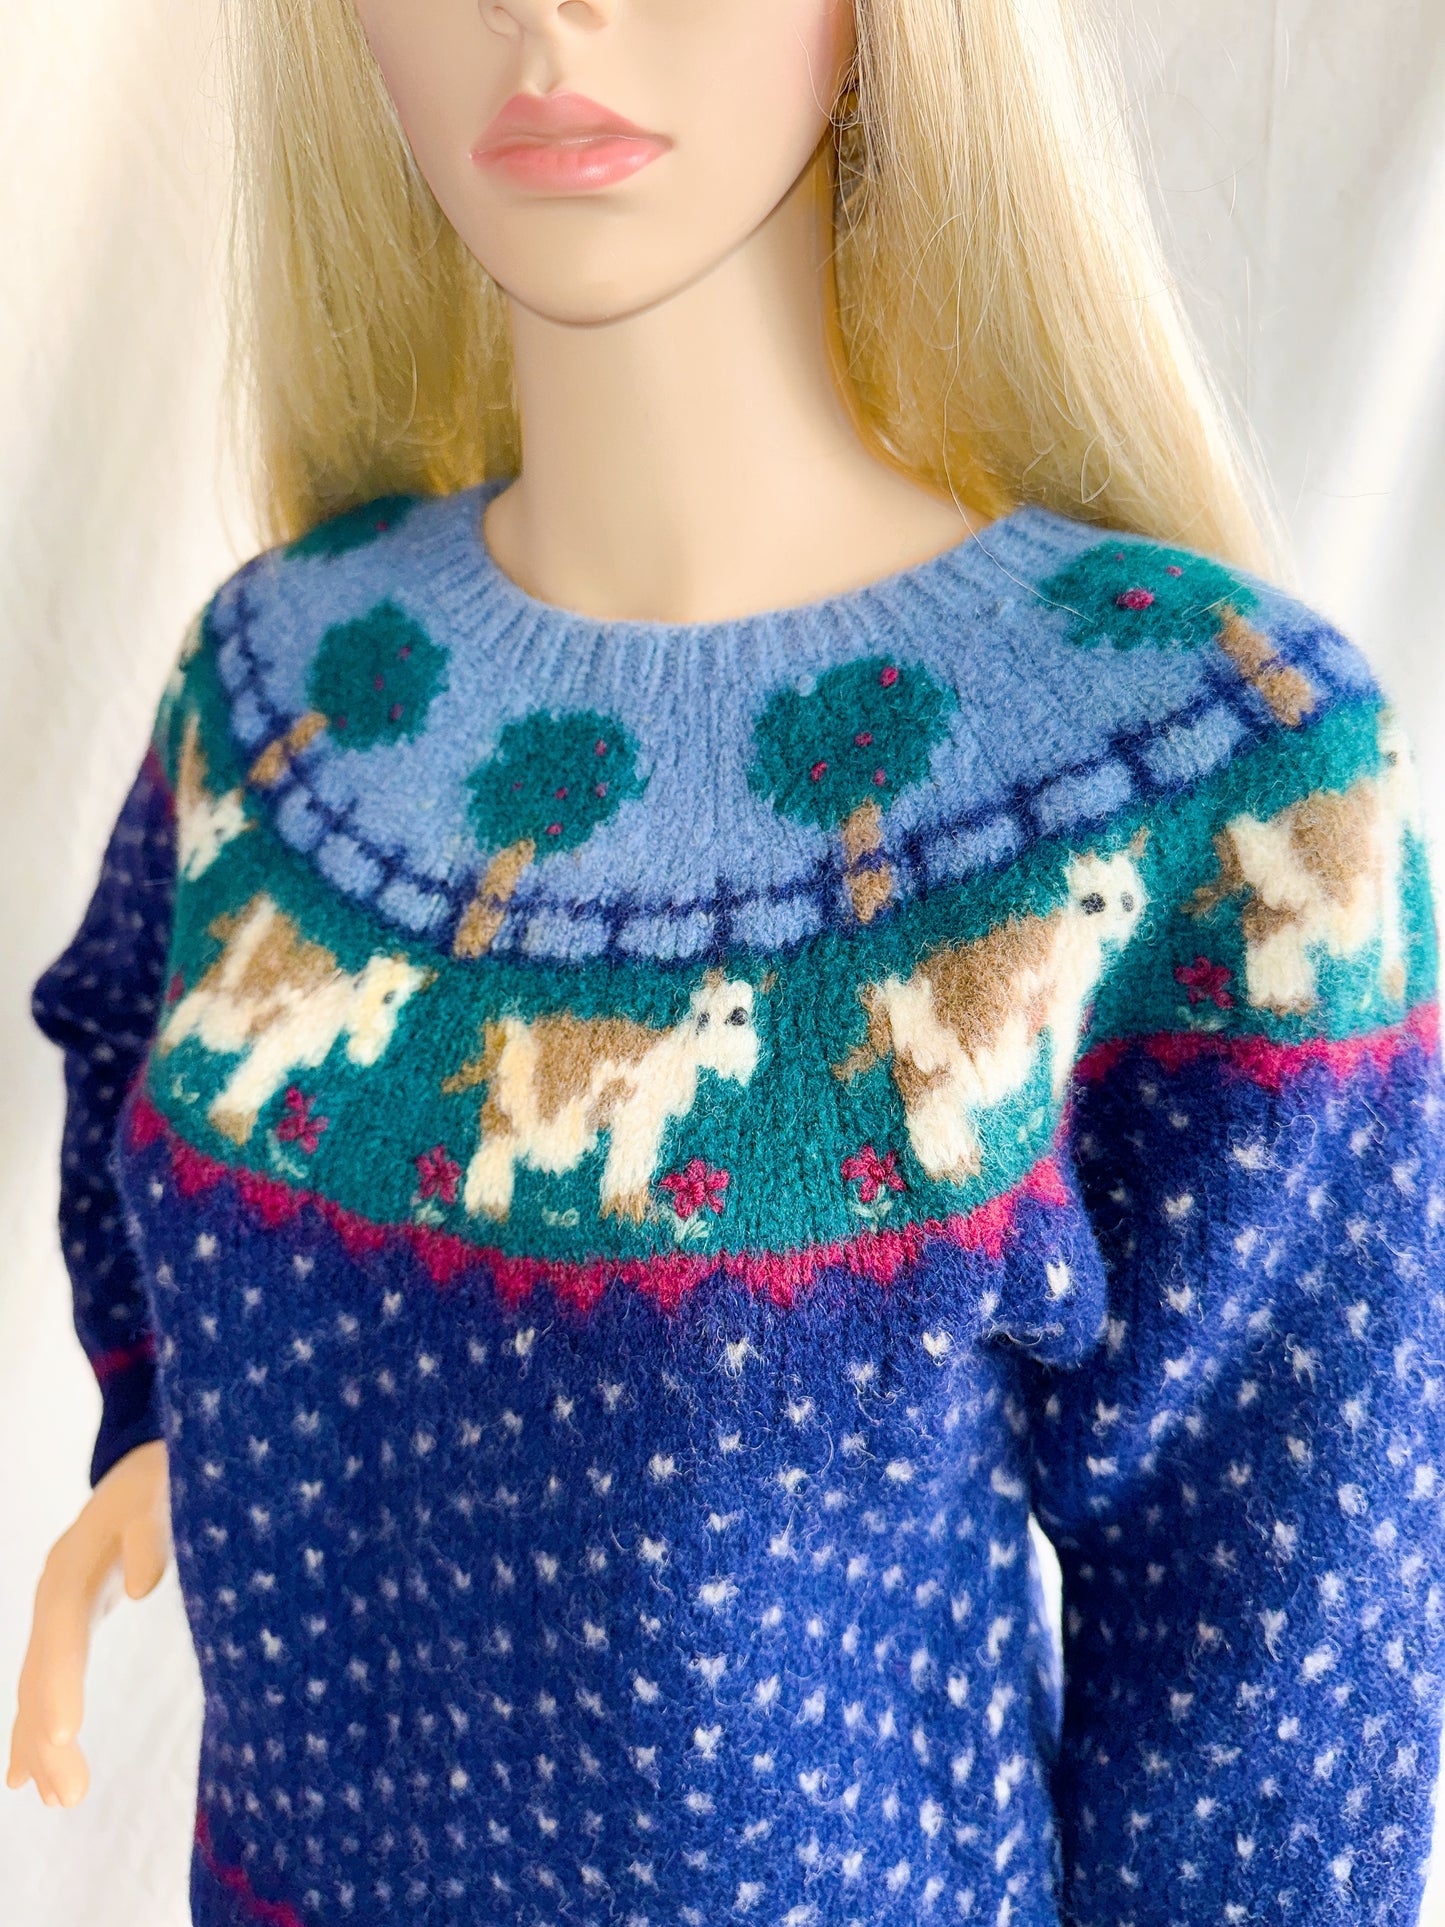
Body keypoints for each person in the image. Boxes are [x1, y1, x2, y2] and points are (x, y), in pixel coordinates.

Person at [9, 1, 1444, 1922]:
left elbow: (1278, 1649)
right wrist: (161, 1426)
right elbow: (125, 1043)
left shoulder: (1208, 769)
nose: (547, 14)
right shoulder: (283, 680)